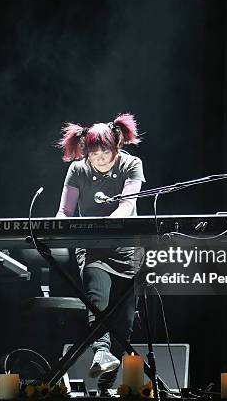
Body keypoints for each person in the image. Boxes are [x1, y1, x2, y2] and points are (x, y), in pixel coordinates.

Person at [56, 113, 145, 395]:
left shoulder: (132, 165)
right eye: (94, 153)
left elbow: (127, 206)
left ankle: (106, 384)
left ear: (117, 146)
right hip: (93, 248)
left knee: (125, 323)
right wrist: (55, 227)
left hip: (128, 250)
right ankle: (101, 350)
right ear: (85, 151)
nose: (100, 158)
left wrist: (111, 224)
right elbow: (65, 212)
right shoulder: (78, 170)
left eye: (106, 152)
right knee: (98, 299)